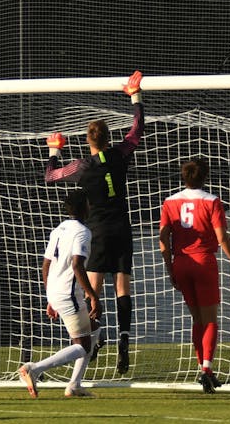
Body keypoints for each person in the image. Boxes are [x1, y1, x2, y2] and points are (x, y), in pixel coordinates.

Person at [44, 70, 144, 374]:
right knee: (123, 288)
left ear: (89, 140)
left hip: (98, 232)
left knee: (94, 292)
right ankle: (124, 343)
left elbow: (51, 176)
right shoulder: (119, 155)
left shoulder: (82, 166)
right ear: (108, 138)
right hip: (123, 228)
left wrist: (54, 149)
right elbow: (137, 130)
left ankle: (95, 340)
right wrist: (135, 96)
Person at [158, 158, 230, 394]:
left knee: (197, 319)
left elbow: (163, 239)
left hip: (181, 262)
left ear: (183, 177)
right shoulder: (212, 201)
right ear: (205, 177)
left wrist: (169, 267)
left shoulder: (169, 202)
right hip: (203, 261)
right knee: (210, 319)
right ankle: (206, 370)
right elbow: (221, 237)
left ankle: (204, 368)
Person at [19, 189, 101, 398]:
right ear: (84, 207)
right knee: (83, 346)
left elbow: (45, 266)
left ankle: (74, 385)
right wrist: (92, 295)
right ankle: (34, 369)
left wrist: (50, 297)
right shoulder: (82, 232)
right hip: (68, 293)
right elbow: (77, 265)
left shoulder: (58, 230)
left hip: (55, 291)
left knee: (93, 329)